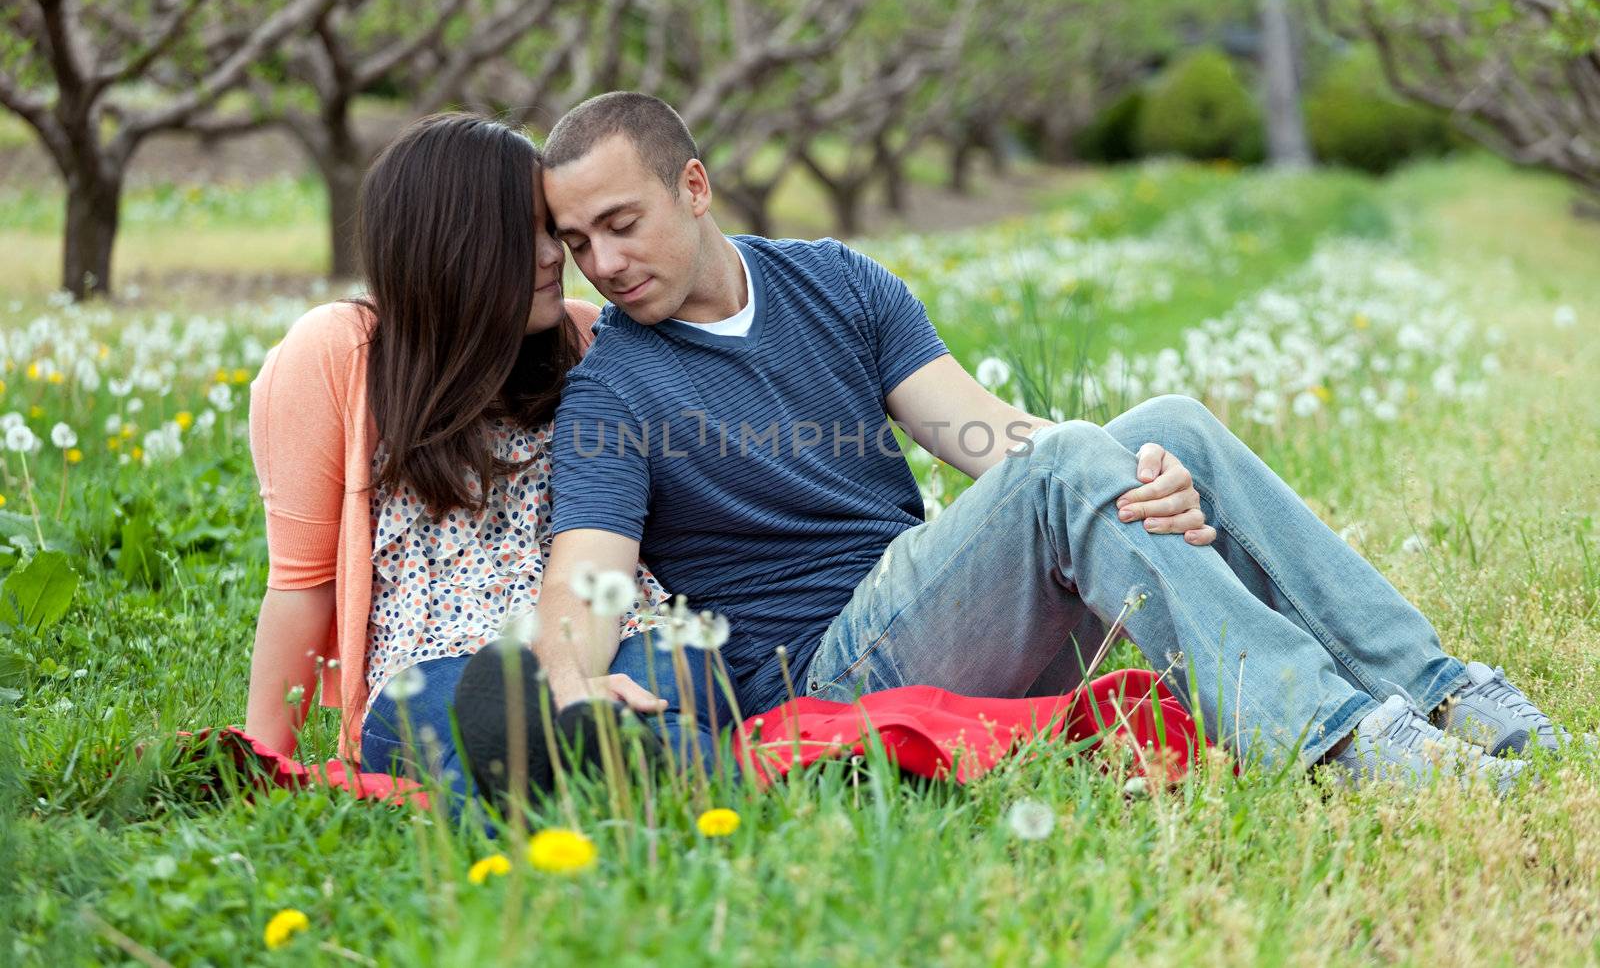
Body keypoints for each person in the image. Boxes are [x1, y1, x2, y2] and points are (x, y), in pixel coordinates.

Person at [494, 90, 1589, 796]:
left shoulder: (834, 280)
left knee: (1167, 425)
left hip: (947, 609)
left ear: (694, 186)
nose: (601, 261)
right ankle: (1344, 742)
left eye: (620, 223)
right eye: (578, 240)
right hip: (828, 672)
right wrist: (573, 683)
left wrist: (1138, 480)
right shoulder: (617, 389)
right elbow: (584, 576)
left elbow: (985, 433)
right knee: (1072, 454)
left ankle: (1444, 690)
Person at [242, 113, 670, 814]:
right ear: (454, 244)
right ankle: (587, 787)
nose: (555, 254)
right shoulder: (343, 352)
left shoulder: (589, 338)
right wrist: (262, 766)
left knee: (680, 689)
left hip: (613, 632)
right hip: (444, 661)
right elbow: (301, 581)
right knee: (481, 739)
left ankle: (627, 771)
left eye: (551, 230)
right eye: (524, 234)